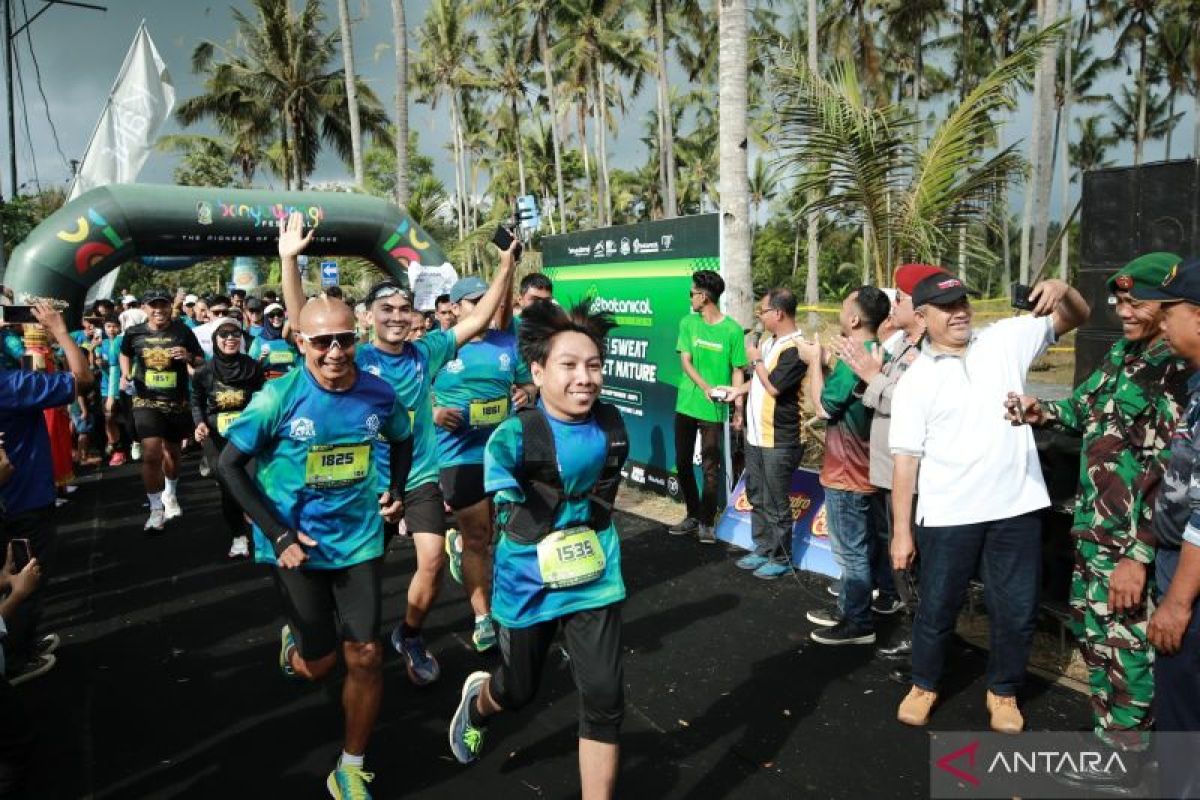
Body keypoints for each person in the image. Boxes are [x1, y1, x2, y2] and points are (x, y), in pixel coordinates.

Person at [217, 212, 413, 799]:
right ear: (300, 342)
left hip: (357, 541)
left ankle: (350, 766)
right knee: (319, 665)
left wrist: (396, 491)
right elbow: (228, 465)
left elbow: (402, 438)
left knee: (368, 654)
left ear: (357, 337)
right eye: (321, 340)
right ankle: (299, 648)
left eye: (344, 339)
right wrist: (277, 535)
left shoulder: (379, 392)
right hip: (296, 545)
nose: (334, 351)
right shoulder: (278, 396)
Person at [1003, 252, 1189, 787]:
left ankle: (1129, 758)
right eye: (1120, 301)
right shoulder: (1121, 354)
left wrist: (1139, 552)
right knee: (1095, 633)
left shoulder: (1176, 368)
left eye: (1137, 302)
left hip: (1132, 539)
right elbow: (1084, 410)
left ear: (1167, 305)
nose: (1125, 311)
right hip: (1095, 527)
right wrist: (1040, 410)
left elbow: (1170, 473)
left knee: (1125, 643)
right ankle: (1114, 735)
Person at [890, 271, 1089, 732]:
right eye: (947, 306)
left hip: (1014, 510)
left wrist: (1066, 290)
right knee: (938, 607)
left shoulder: (1005, 340)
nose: (959, 312)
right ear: (922, 316)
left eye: (963, 302)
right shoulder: (915, 381)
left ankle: (1003, 692)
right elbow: (905, 463)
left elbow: (1078, 315)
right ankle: (924, 684)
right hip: (946, 515)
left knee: (1016, 611)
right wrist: (902, 532)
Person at [448, 300, 627, 800]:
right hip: (529, 581)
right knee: (518, 689)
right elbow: (507, 508)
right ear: (538, 370)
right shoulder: (513, 435)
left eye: (593, 365)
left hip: (595, 576)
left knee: (605, 699)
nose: (584, 378)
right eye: (569, 365)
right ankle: (479, 704)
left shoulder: (611, 426)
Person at [352, 251, 516, 685]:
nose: (398, 316)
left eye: (405, 309)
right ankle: (318, 629)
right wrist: (288, 259)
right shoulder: (352, 359)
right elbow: (302, 324)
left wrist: (505, 264)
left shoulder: (428, 352)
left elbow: (480, 318)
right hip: (367, 481)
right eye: (387, 309)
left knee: (432, 562)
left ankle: (409, 635)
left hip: (421, 474)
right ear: (368, 317)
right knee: (359, 576)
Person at [832, 265, 933, 663]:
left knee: (913, 563)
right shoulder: (905, 347)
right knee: (899, 561)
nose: (896, 306)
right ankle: (916, 633)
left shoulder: (926, 353)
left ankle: (922, 642)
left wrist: (872, 376)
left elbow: (908, 406)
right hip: (890, 473)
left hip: (913, 477)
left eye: (903, 300)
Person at [1129, 259, 1200, 799]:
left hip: (1191, 582)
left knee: (1184, 710)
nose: (1162, 322)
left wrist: (1177, 601)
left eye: (1170, 312)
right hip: (1180, 563)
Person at [432, 271, 531, 652]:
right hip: (460, 456)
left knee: (502, 534)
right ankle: (483, 616)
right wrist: (435, 410)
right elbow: (409, 395)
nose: (486, 308)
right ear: (456, 309)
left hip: (503, 454)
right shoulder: (440, 347)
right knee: (478, 538)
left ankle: (506, 598)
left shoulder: (507, 341)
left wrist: (525, 393)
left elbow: (529, 383)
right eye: (475, 302)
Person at [0, 301, 92, 685]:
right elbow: (81, 380)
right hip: (22, 499)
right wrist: (57, 329)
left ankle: (22, 645)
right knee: (26, 578)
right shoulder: (10, 386)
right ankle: (17, 657)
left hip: (14, 495)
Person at [804, 286, 896, 645]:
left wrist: (814, 362)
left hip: (847, 473)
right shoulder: (878, 353)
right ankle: (851, 607)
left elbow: (823, 407)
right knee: (864, 547)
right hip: (867, 469)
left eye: (844, 307)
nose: (840, 312)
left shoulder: (856, 357)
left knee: (850, 553)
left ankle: (857, 622)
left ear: (855, 318)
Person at [713, 288, 812, 578]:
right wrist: (737, 391)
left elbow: (774, 387)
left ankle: (781, 557)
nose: (760, 317)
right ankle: (763, 547)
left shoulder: (796, 347)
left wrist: (754, 359)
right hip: (756, 436)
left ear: (778, 313)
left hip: (779, 438)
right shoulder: (771, 342)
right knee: (757, 494)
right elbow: (759, 383)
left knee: (777, 501)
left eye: (763, 312)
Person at [669, 270, 747, 543]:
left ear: (704, 297)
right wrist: (705, 388)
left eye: (692, 293)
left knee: (711, 467)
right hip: (687, 403)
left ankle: (706, 522)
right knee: (682, 461)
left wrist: (738, 408)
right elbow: (686, 362)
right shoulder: (688, 323)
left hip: (714, 410)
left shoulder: (733, 330)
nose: (690, 297)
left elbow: (738, 371)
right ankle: (692, 514)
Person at [119, 288, 205, 531]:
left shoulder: (183, 331)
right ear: (145, 308)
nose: (158, 310)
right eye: (153, 305)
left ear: (170, 307)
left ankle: (170, 494)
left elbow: (200, 360)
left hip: (176, 402)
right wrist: (126, 373)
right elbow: (124, 353)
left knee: (173, 455)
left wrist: (187, 356)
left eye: (163, 305)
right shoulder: (133, 333)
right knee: (151, 453)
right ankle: (156, 508)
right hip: (146, 401)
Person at [191, 317, 265, 559]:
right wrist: (199, 423)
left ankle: (263, 531)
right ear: (215, 340)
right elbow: (196, 402)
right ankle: (238, 536)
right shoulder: (204, 371)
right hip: (217, 437)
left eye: (235, 334)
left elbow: (263, 399)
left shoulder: (252, 367)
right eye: (224, 334)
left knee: (254, 482)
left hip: (248, 435)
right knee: (229, 488)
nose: (230, 338)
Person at [249, 303, 299, 381]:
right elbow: (250, 365)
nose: (276, 318)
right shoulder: (258, 340)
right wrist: (260, 360)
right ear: (266, 318)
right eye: (272, 315)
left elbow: (301, 360)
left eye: (279, 314)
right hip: (269, 383)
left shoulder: (292, 338)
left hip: (292, 380)